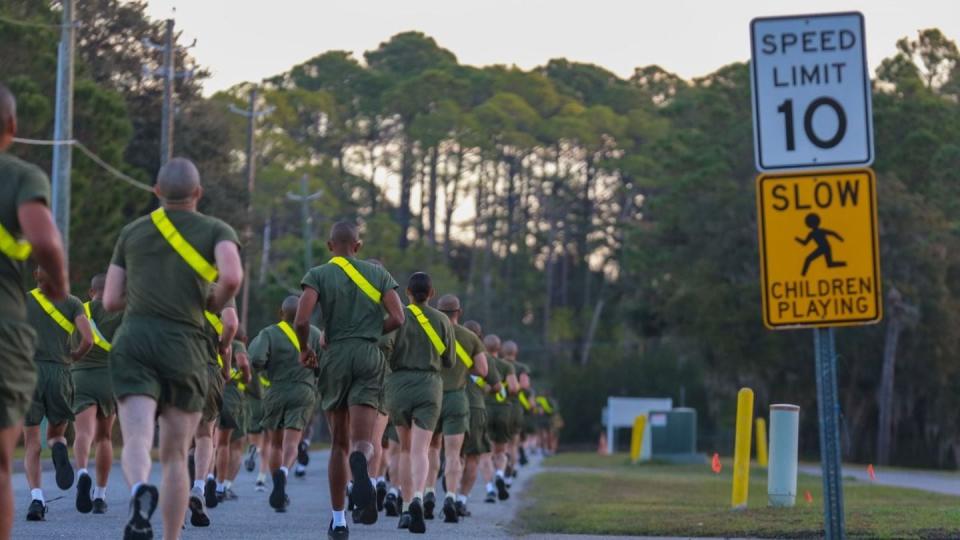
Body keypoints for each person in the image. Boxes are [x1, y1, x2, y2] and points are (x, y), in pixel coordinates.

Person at [103, 157, 243, 540]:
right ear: (198, 193)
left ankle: (137, 491)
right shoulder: (217, 229)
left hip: (134, 341)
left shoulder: (132, 232)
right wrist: (215, 300)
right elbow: (232, 276)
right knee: (176, 455)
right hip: (185, 346)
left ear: (157, 192)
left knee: (136, 437)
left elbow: (111, 300)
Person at [296, 221, 404, 540]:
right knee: (362, 442)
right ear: (358, 246)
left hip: (335, 356)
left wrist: (305, 348)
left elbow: (302, 319)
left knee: (338, 444)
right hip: (369, 356)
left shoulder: (318, 274)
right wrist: (371, 332)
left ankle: (339, 520)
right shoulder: (380, 275)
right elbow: (399, 317)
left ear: (331, 246)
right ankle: (363, 463)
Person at [0, 83, 69, 540]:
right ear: (13, 126)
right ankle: (59, 447)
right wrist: (60, 286)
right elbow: (44, 240)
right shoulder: (20, 176)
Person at [383, 272, 454, 534]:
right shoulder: (442, 319)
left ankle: (404, 506)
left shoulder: (397, 317)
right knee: (421, 450)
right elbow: (450, 361)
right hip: (429, 385)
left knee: (403, 448)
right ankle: (418, 499)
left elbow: (384, 347)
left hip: (399, 385)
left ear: (407, 294)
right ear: (432, 293)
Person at [23, 268, 93, 521]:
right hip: (61, 373)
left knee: (31, 441)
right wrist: (73, 357)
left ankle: (37, 500)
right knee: (56, 434)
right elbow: (88, 339)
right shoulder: (72, 302)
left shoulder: (23, 299)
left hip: (29, 372)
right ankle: (58, 447)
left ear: (36, 277)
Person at [249, 295, 322, 513]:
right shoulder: (316, 334)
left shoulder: (269, 333)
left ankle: (275, 482)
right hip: (303, 391)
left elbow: (256, 360)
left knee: (275, 444)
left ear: (282, 313)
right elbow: (323, 365)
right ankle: (284, 471)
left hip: (276, 390)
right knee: (292, 442)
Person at [428, 294, 487, 523]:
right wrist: (463, 370)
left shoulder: (429, 333)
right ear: (459, 312)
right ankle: (451, 497)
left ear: (438, 311)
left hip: (431, 397)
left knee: (431, 449)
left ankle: (429, 493)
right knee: (453, 454)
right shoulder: (470, 337)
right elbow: (482, 370)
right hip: (456, 398)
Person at [73, 273, 123, 515]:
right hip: (110, 378)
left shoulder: (79, 309)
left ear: (91, 292)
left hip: (81, 375)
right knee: (104, 437)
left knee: (83, 433)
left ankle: (82, 472)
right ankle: (100, 496)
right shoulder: (122, 312)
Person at [188, 301, 237, 528]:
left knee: (176, 437)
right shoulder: (220, 292)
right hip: (208, 370)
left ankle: (175, 506)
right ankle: (199, 484)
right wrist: (225, 364)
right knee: (205, 434)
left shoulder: (174, 285)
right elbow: (231, 324)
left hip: (177, 368)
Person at [457, 320, 500, 518]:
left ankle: (447, 493)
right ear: (479, 336)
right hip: (474, 406)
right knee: (473, 457)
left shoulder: (447, 346)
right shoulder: (485, 356)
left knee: (451, 454)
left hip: (448, 403)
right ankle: (461, 500)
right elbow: (498, 386)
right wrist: (485, 387)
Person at [214, 329, 251, 502]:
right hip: (232, 397)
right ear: (243, 338)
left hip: (211, 390)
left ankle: (205, 481)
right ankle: (223, 486)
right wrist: (247, 377)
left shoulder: (213, 340)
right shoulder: (237, 345)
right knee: (232, 444)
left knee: (207, 440)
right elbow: (243, 362)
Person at [482, 334, 517, 502]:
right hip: (504, 410)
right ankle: (500, 474)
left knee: (486, 453)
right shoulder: (506, 365)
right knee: (501, 450)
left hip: (485, 409)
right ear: (499, 348)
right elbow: (514, 388)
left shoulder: (481, 362)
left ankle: (490, 489)